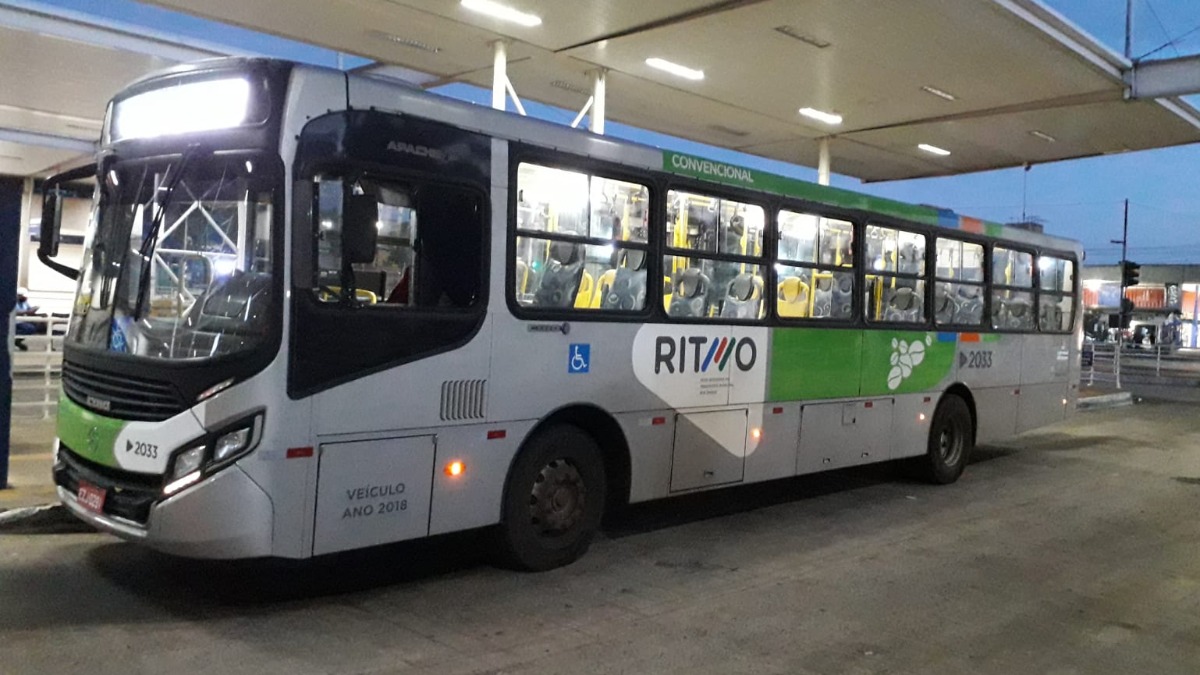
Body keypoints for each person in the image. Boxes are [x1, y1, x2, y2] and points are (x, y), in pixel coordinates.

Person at [13, 287, 40, 351]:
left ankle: (17, 340)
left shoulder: (25, 302)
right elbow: (14, 312)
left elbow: (29, 309)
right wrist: (26, 312)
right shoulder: (12, 302)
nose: (24, 298)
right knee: (29, 328)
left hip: (22, 321)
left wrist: (34, 309)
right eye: (21, 296)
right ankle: (13, 339)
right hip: (14, 322)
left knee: (34, 327)